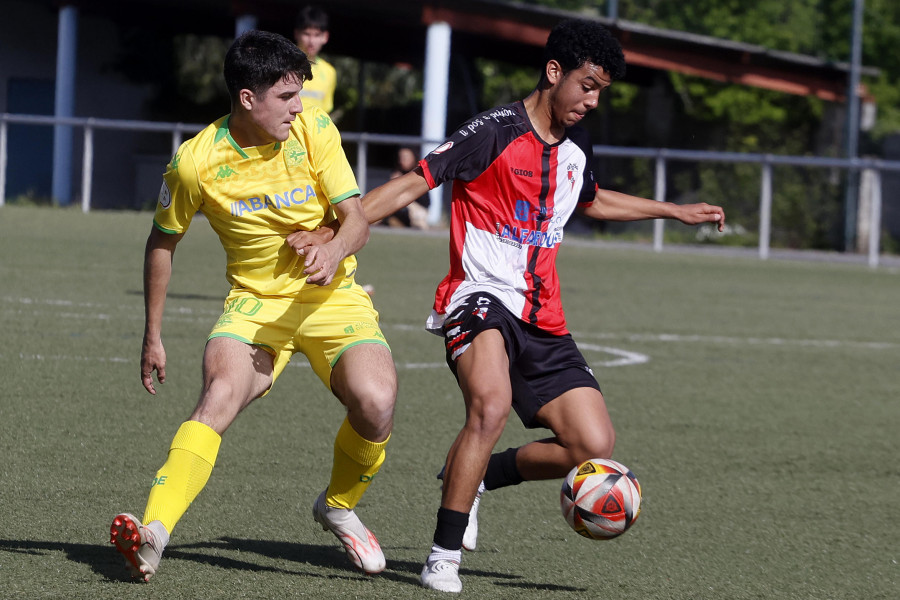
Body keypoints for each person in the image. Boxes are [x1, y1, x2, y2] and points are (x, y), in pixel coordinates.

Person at [296, 18, 726, 593]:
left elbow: (591, 201)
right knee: (490, 407)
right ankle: (442, 557)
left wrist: (673, 211)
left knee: (591, 446)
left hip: (544, 315)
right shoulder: (493, 131)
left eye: (601, 91)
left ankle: (472, 478)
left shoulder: (577, 141)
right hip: (477, 299)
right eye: (587, 85)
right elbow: (410, 184)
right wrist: (338, 231)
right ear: (555, 73)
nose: (592, 100)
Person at [109, 29, 396, 582]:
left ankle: (338, 505)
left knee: (377, 403)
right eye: (286, 97)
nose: (298, 107)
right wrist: (153, 334)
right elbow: (162, 242)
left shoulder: (314, 129)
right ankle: (152, 535)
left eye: (299, 95)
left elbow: (356, 218)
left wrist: (332, 249)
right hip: (255, 307)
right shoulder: (195, 162)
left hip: (332, 296)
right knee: (219, 396)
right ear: (248, 98)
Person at [294, 5, 336, 114]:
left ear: (325, 37)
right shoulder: (283, 66)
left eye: (317, 35)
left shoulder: (329, 72)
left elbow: (326, 112)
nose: (311, 41)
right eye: (307, 34)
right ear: (297, 34)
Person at [383, 146, 429, 229]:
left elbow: (425, 202)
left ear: (413, 157)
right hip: (398, 208)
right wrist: (393, 184)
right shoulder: (396, 173)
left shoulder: (419, 173)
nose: (402, 160)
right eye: (401, 157)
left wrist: (404, 185)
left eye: (405, 157)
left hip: (416, 210)